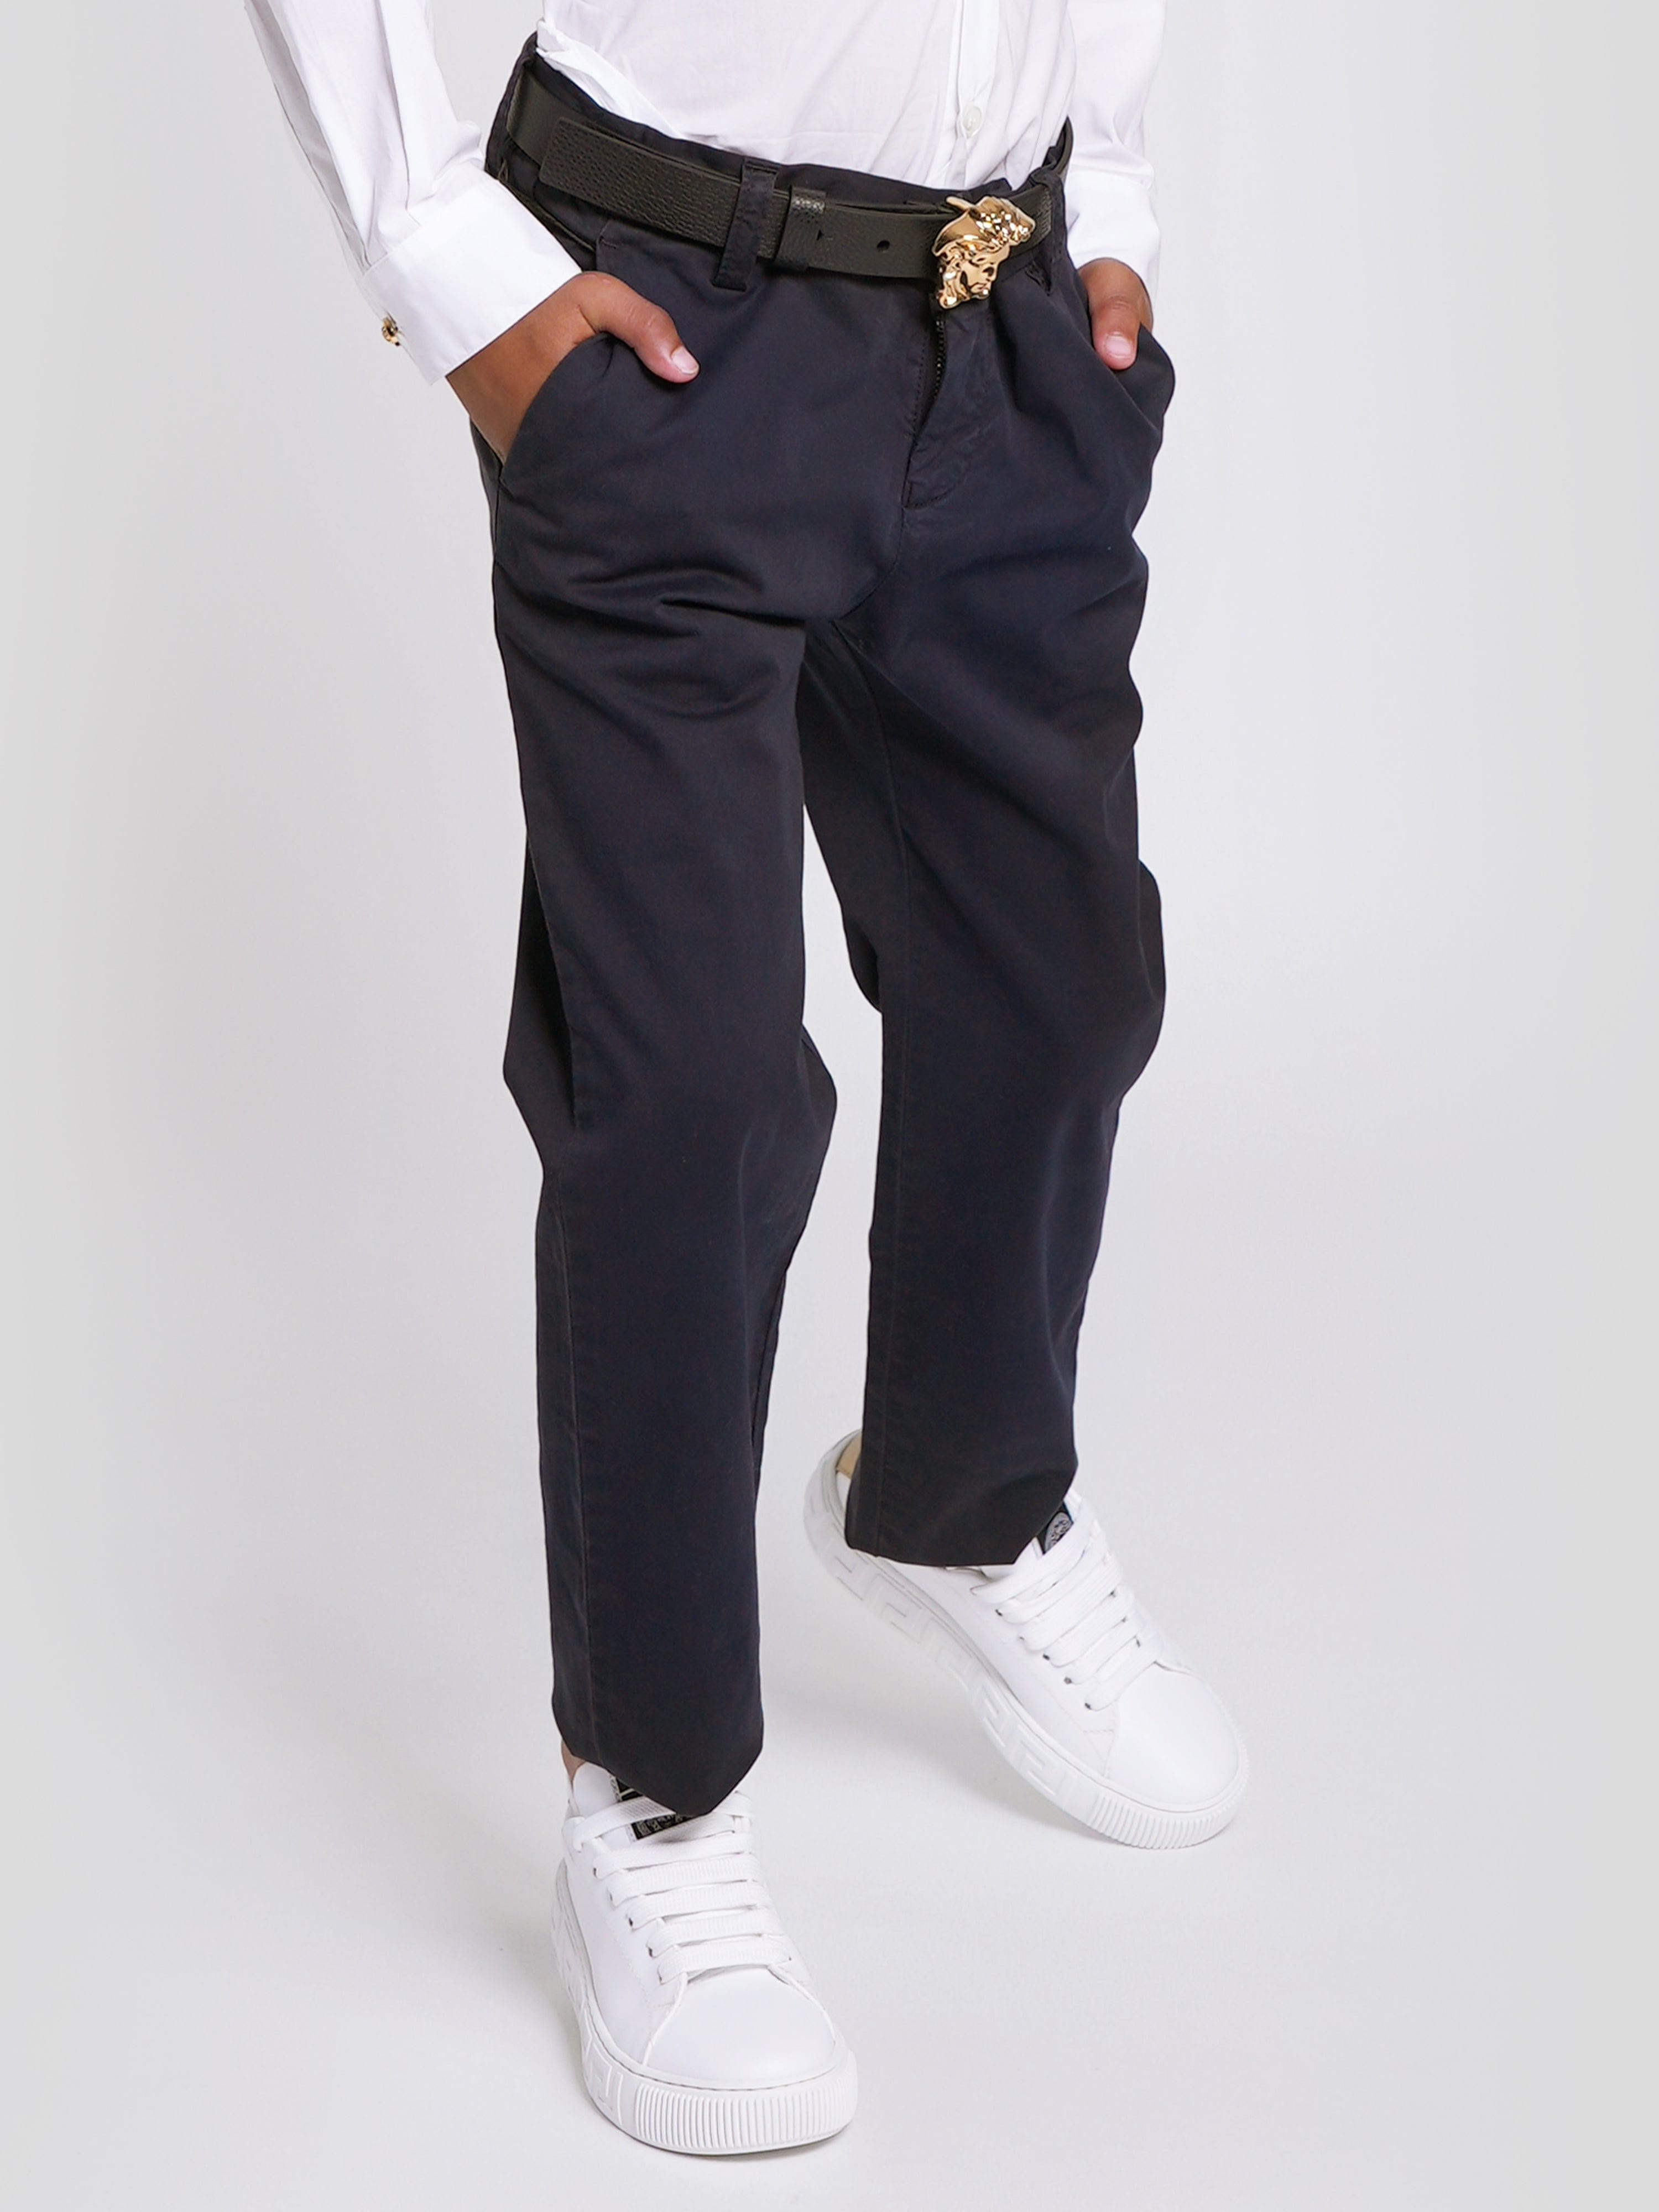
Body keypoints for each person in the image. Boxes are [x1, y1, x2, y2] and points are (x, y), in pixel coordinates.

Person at [244, 1, 1246, 2154]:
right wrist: (440, 248)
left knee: (1059, 973)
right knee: (691, 1090)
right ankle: (656, 1791)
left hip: (1008, 312)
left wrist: (1114, 186)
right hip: (665, 317)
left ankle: (963, 1506)